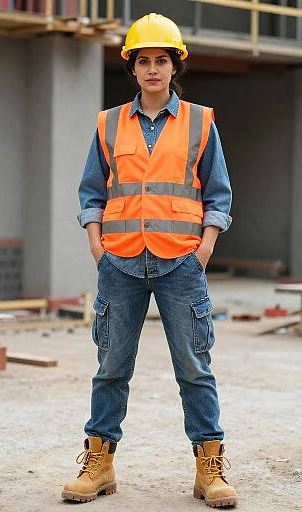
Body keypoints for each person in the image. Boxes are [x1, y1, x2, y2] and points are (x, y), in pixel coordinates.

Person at [62, 12, 237, 508]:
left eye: (162, 60)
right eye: (144, 61)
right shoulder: (109, 123)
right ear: (132, 68)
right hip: (118, 262)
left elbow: (218, 194)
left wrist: (204, 247)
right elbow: (92, 191)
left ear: (174, 66)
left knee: (194, 368)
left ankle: (210, 469)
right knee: (111, 368)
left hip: (181, 261)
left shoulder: (201, 121)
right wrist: (96, 243)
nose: (153, 69)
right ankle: (99, 464)